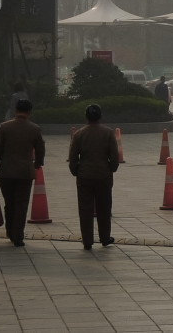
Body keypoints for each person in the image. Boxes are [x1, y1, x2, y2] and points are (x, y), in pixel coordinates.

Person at [0, 99, 45, 247]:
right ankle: (18, 236)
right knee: (21, 205)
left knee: (9, 203)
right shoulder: (35, 129)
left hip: (6, 172)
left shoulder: (4, 127)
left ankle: (10, 232)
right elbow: (41, 150)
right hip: (25, 172)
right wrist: (37, 164)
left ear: (16, 110)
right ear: (29, 112)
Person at [68, 103, 120, 250]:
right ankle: (105, 238)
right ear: (100, 116)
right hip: (103, 175)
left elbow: (73, 157)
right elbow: (114, 157)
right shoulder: (108, 133)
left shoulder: (79, 134)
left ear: (86, 117)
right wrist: (111, 169)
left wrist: (76, 171)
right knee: (104, 208)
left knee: (85, 210)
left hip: (84, 176)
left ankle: (87, 241)